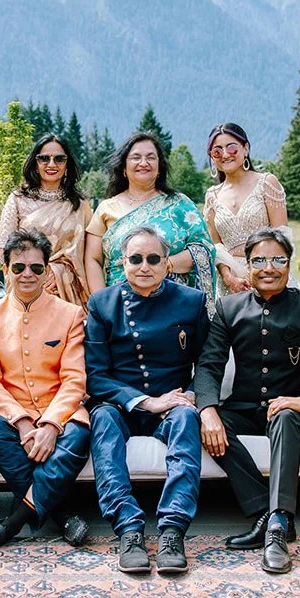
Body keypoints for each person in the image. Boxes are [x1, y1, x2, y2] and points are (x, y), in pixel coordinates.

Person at [195, 228, 300, 574]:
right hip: (244, 409)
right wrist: (207, 409)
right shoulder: (229, 308)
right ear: (247, 265)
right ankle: (268, 513)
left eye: (278, 259)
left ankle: (275, 531)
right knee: (205, 423)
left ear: (288, 264)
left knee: (285, 416)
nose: (268, 268)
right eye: (259, 260)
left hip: (294, 412)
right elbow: (209, 365)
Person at [85, 226, 209, 575]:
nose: (144, 266)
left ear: (167, 263)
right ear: (122, 263)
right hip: (121, 404)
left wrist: (193, 395)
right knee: (102, 419)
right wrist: (146, 402)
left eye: (153, 259)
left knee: (187, 418)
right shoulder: (102, 304)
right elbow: (95, 376)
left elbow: (207, 362)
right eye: (136, 259)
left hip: (172, 404)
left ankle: (172, 531)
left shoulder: (191, 301)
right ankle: (128, 529)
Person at [0, 229, 93, 553]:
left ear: (47, 270)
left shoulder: (70, 314)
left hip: (59, 407)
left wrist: (51, 425)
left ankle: (11, 524)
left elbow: (74, 379)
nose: (27, 274)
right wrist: (23, 422)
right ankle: (61, 514)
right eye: (19, 267)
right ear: (5, 269)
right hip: (8, 410)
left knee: (76, 437)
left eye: (36, 268)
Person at [84, 131, 215, 301]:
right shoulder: (106, 209)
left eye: (151, 157)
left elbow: (204, 250)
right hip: (121, 303)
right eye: (136, 157)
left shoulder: (180, 205)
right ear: (123, 167)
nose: (143, 163)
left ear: (160, 167)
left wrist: (162, 266)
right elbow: (93, 259)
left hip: (173, 303)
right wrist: (103, 302)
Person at [0, 132, 93, 307]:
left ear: (67, 164)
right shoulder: (18, 199)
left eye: (59, 159)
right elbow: (5, 247)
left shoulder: (79, 204)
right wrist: (30, 275)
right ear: (35, 162)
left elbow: (89, 254)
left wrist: (57, 274)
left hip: (68, 292)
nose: (52, 164)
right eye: (44, 158)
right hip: (26, 285)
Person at [202, 122, 290, 295]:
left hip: (268, 275)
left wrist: (260, 272)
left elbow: (282, 237)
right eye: (217, 151)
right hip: (230, 283)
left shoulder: (266, 183)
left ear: (246, 148)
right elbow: (216, 245)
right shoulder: (212, 196)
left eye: (232, 148)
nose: (225, 154)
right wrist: (228, 277)